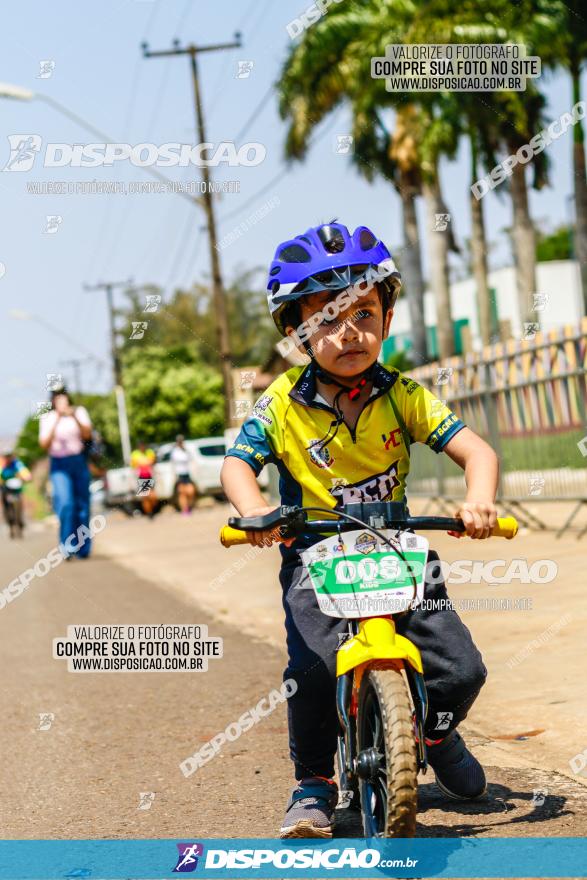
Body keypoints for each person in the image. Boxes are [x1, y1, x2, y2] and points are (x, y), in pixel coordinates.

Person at [221, 222, 499, 838]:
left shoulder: (404, 395)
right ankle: (314, 784)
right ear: (297, 330)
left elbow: (478, 453)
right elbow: (237, 464)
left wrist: (479, 501)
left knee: (462, 667)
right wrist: (256, 514)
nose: (351, 331)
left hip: (397, 549)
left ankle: (433, 730)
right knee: (315, 669)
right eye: (327, 317)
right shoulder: (281, 402)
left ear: (389, 318)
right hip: (315, 554)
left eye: (366, 312)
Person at [39, 388, 93, 559]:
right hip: (59, 464)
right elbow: (44, 444)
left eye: (63, 395)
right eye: (57, 396)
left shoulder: (79, 412)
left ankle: (83, 548)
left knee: (82, 507)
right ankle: (68, 546)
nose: (60, 399)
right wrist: (56, 418)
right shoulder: (47, 417)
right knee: (66, 504)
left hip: (78, 461)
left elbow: (87, 434)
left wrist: (73, 416)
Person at [0, 450, 31, 538]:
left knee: (19, 508)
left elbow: (24, 472)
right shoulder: (2, 465)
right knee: (7, 508)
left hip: (17, 490)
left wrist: (27, 477)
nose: (8, 458)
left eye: (9, 456)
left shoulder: (17, 464)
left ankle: (20, 523)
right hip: (6, 489)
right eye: (6, 456)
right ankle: (10, 525)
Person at [130, 441, 157, 517]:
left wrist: (143, 462)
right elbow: (134, 464)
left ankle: (152, 509)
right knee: (145, 497)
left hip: (150, 476)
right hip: (141, 477)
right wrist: (146, 462)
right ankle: (149, 513)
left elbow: (152, 461)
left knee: (153, 496)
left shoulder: (149, 452)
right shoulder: (135, 454)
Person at [171, 435, 196, 515]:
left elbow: (191, 460)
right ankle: (185, 510)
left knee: (191, 491)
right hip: (179, 474)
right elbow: (173, 464)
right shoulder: (175, 451)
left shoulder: (186, 450)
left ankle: (189, 507)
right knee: (182, 493)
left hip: (187, 474)